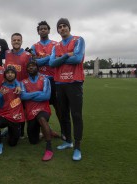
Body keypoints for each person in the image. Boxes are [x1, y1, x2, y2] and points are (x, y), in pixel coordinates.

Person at [49, 18, 85, 161]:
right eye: (60, 27)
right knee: (64, 114)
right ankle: (68, 141)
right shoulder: (56, 46)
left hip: (74, 82)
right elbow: (51, 63)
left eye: (65, 26)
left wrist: (60, 59)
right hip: (60, 83)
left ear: (69, 28)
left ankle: (77, 147)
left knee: (76, 115)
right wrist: (65, 55)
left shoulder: (78, 40)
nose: (62, 28)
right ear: (57, 30)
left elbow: (77, 59)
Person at [30, 21, 63, 139]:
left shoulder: (56, 44)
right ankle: (42, 131)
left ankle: (64, 131)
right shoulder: (34, 46)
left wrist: (45, 59)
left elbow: (57, 60)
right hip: (40, 80)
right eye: (41, 29)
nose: (43, 30)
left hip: (54, 79)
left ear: (49, 30)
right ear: (38, 31)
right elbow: (35, 62)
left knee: (58, 106)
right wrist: (50, 57)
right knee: (38, 107)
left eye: (45, 28)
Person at [21, 60, 53, 161]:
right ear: (26, 70)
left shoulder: (44, 79)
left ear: (37, 68)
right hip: (30, 113)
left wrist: (29, 95)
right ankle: (47, 132)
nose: (31, 68)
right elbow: (23, 96)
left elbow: (46, 96)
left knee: (42, 118)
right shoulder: (23, 82)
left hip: (43, 109)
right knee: (33, 141)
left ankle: (49, 148)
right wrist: (37, 93)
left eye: (33, 66)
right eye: (29, 66)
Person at [0, 65, 25, 155]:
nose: (10, 75)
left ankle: (8, 131)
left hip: (15, 117)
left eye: (12, 73)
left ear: (15, 75)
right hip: (4, 116)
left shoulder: (20, 85)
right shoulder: (1, 86)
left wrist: (19, 87)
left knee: (12, 143)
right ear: (5, 75)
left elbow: (24, 95)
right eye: (8, 73)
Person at [4, 33, 32, 138]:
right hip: (10, 87)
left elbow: (30, 71)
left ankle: (21, 132)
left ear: (21, 41)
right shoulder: (6, 53)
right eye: (14, 40)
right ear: (11, 42)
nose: (16, 42)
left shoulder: (27, 55)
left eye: (18, 40)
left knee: (23, 109)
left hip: (22, 87)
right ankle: (11, 129)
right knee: (11, 108)